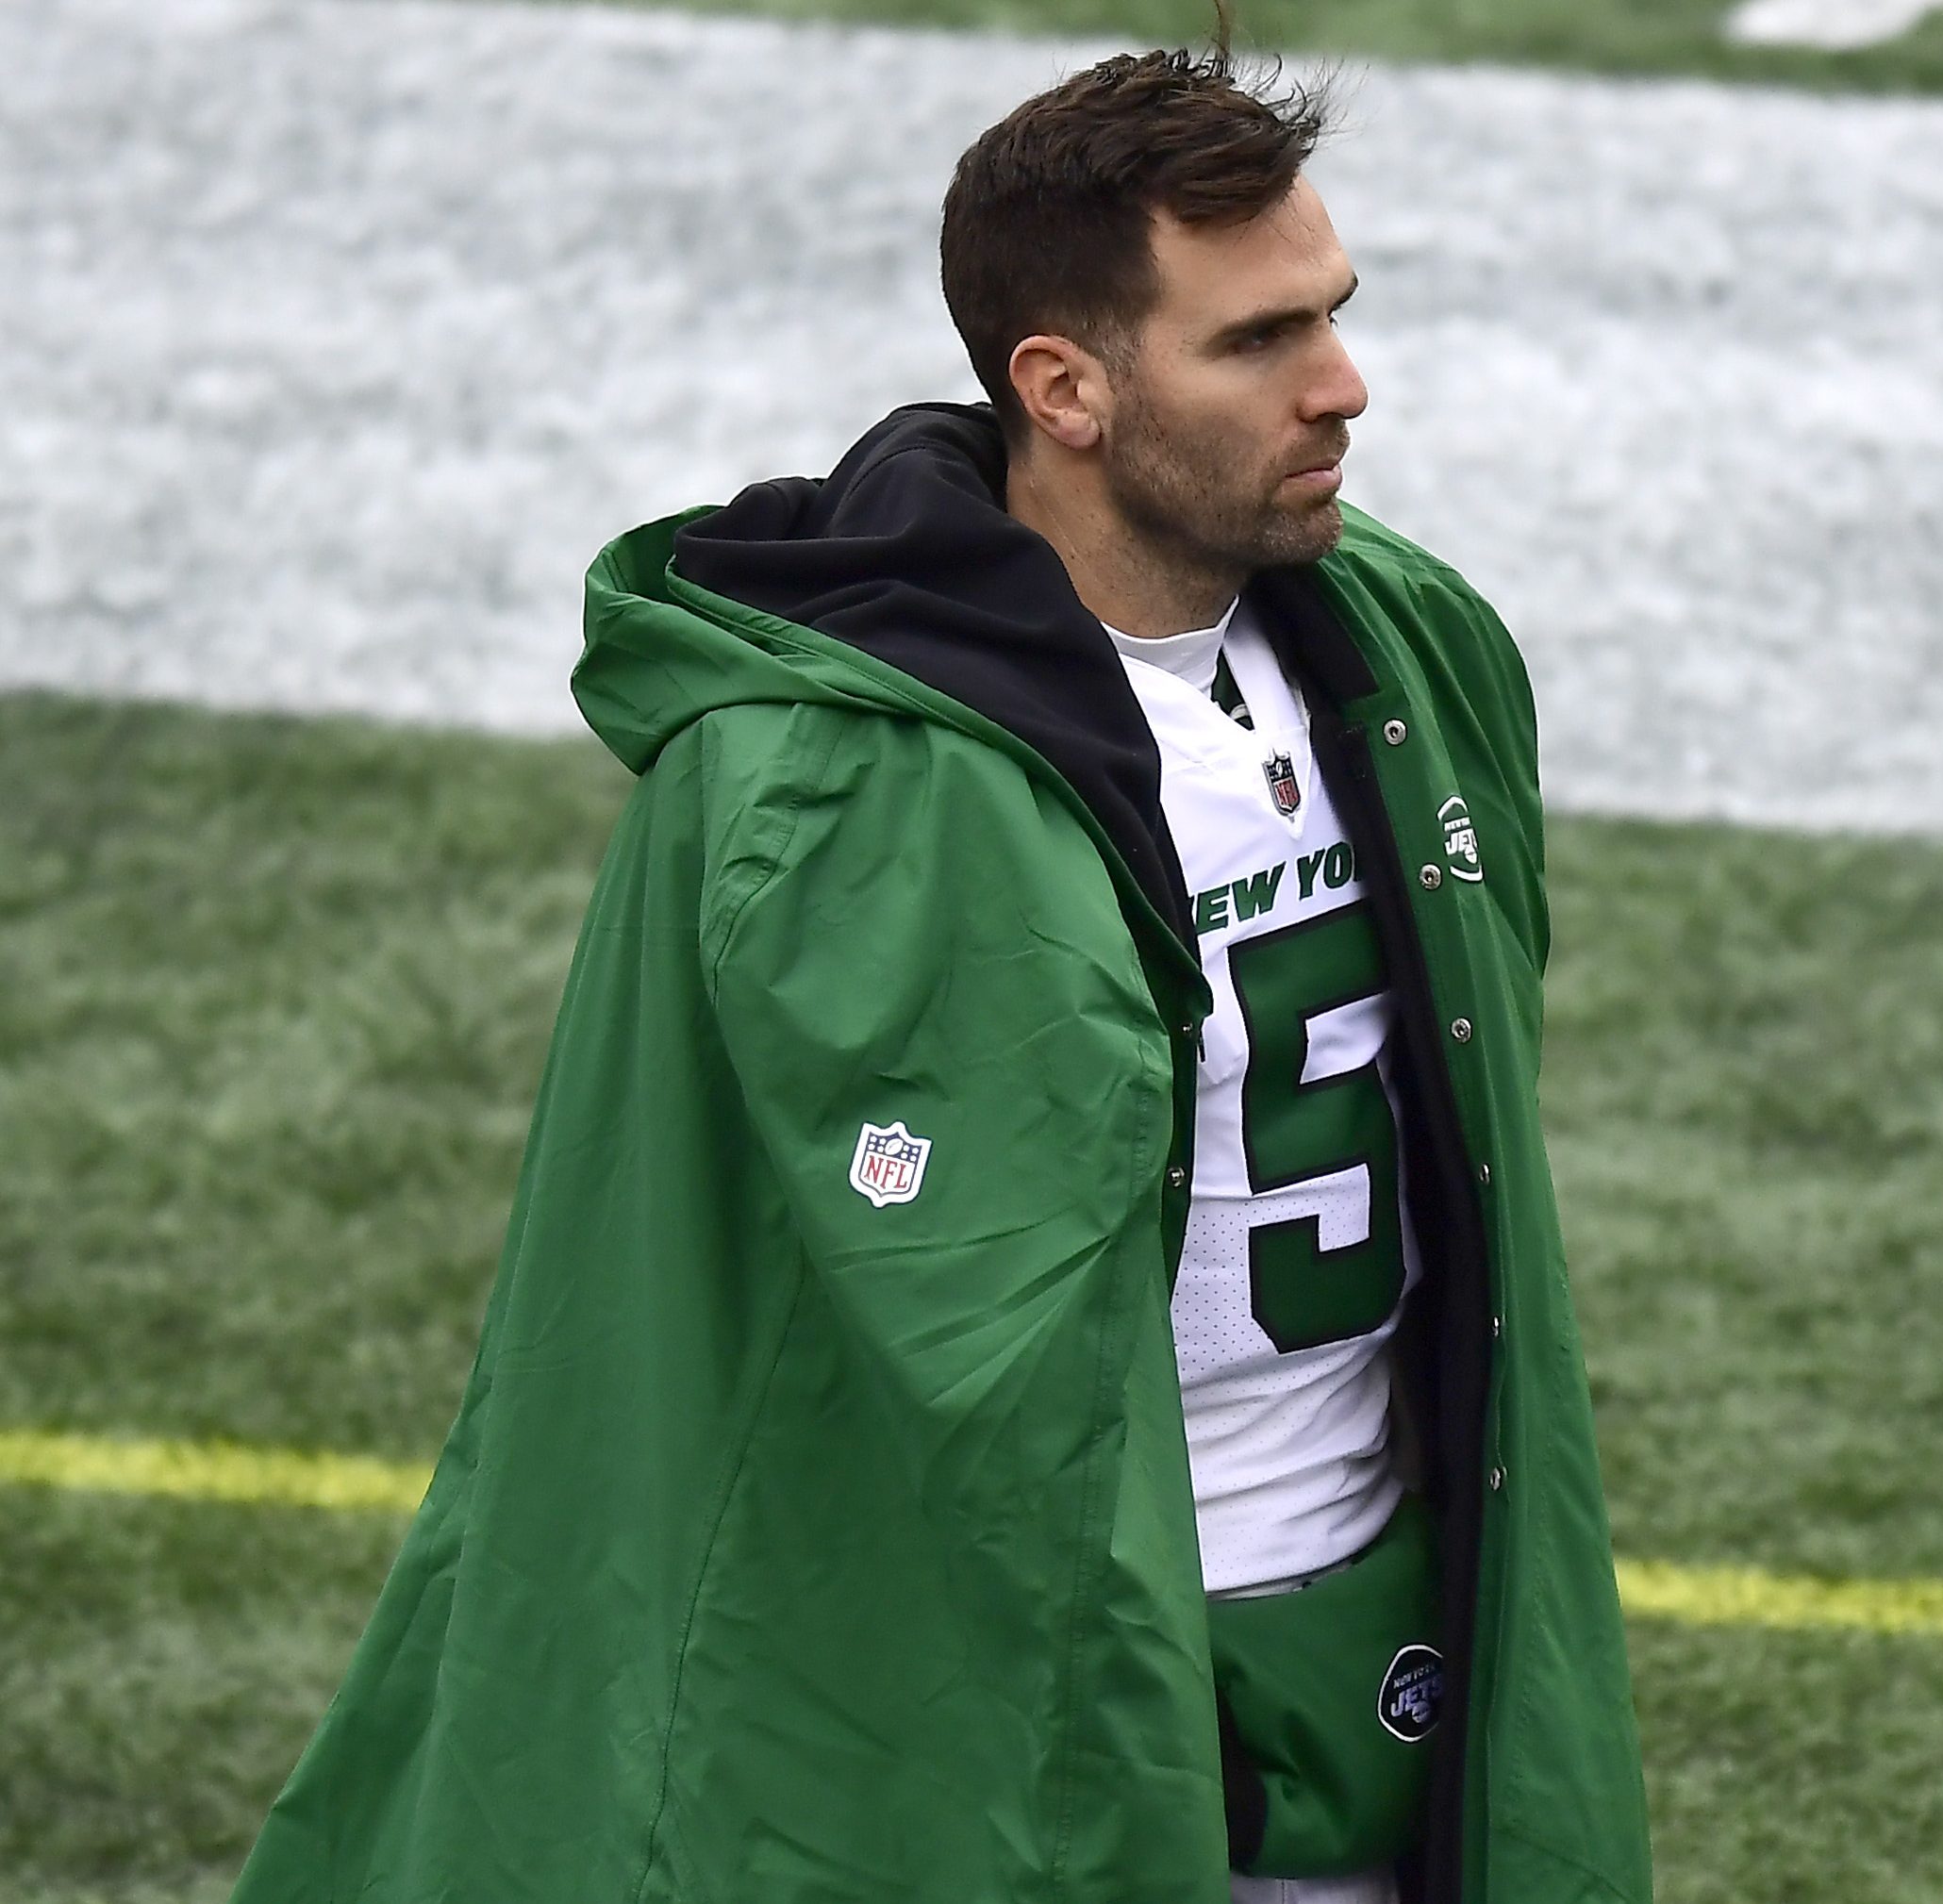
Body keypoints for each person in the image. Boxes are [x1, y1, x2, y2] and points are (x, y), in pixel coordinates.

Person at [227, 16, 1649, 1904]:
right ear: (1060, 387)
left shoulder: (1407, 640)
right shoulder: (806, 773)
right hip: (1044, 1674)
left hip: (1398, 1620)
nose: (1344, 385)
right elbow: (669, 1299)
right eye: (1258, 340)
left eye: (1331, 310)